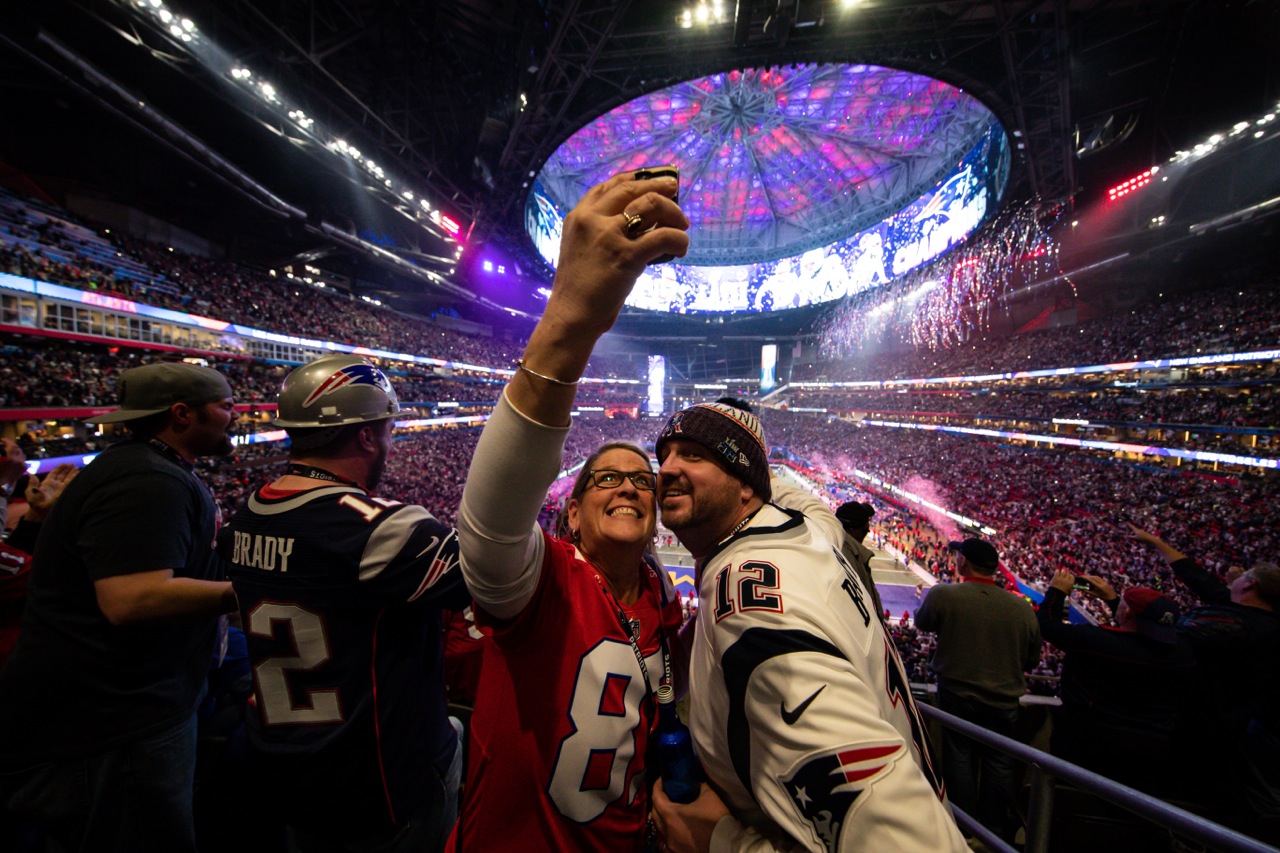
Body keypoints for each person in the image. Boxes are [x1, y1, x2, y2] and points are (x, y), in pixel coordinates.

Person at [448, 170, 689, 851]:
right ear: (573, 515)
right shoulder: (545, 580)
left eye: (641, 479)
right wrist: (569, 321)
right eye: (605, 478)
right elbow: (490, 528)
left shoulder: (657, 597)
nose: (629, 486)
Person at [651, 401, 966, 852]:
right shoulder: (809, 532)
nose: (666, 469)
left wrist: (724, 842)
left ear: (744, 485)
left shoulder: (749, 603)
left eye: (695, 455)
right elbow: (813, 508)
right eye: (665, 456)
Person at [218, 353, 470, 851]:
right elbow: (496, 577)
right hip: (378, 781)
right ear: (366, 435)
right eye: (388, 429)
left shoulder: (245, 516)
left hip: (291, 770)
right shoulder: (377, 527)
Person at [0, 361, 240, 852]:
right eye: (225, 406)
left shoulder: (146, 468)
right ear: (181, 414)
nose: (233, 417)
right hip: (114, 723)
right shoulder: (146, 480)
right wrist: (250, 590)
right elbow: (132, 599)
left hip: (123, 711)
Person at [1128, 524, 1280, 830]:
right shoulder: (1261, 618)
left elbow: (1167, 632)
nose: (1234, 578)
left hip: (1208, 731)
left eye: (1243, 577)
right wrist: (1156, 541)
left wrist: (1120, 608)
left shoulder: (1236, 623)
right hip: (1233, 729)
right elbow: (1200, 580)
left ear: (1250, 588)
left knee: (1190, 806)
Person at [914, 537, 1040, 841]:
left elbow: (923, 622)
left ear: (962, 562)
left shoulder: (945, 594)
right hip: (1005, 698)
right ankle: (993, 831)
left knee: (958, 756)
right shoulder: (1022, 608)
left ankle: (963, 827)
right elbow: (1032, 659)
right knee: (999, 762)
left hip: (957, 691)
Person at [1036, 569, 1195, 793]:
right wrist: (1113, 600)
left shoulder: (1099, 642)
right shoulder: (1184, 654)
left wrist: (1056, 592)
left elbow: (1046, 626)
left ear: (1128, 611)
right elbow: (1135, 630)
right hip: (1153, 745)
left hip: (1090, 740)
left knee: (1073, 799)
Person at [834, 500, 883, 617]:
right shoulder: (850, 559)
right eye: (865, 527)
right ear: (854, 529)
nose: (868, 530)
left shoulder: (833, 545)